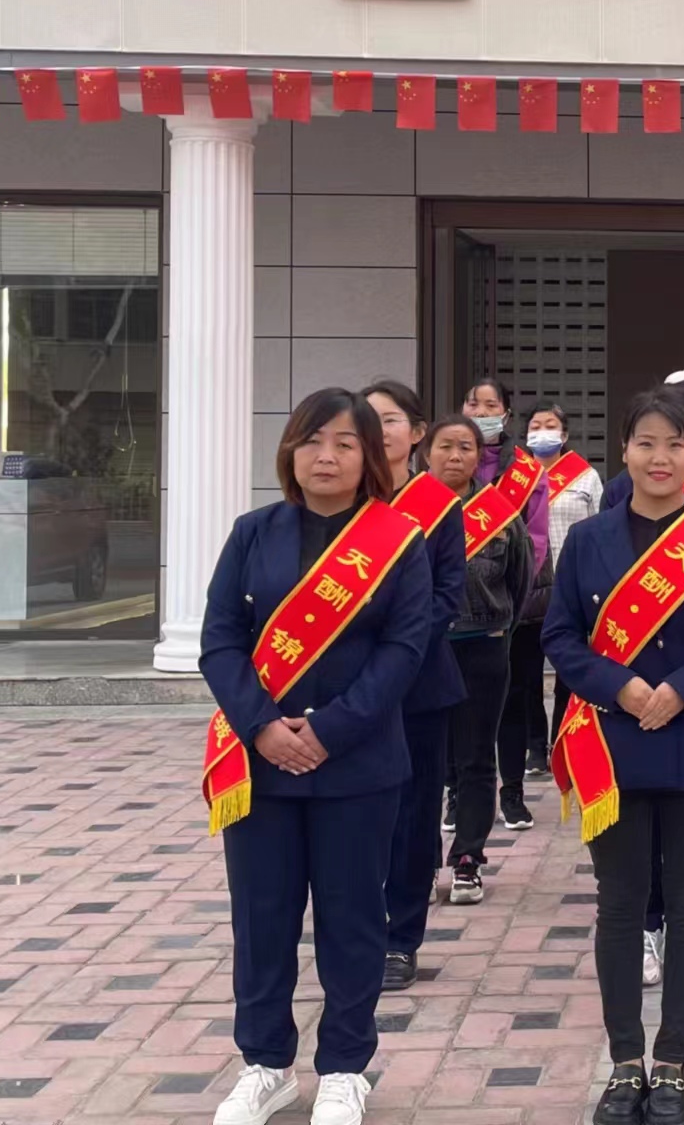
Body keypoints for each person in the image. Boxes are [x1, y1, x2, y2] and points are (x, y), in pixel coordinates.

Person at [199, 388, 434, 1125]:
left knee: (352, 918)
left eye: (343, 443)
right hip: (260, 765)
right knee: (261, 919)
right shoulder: (253, 533)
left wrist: (330, 729)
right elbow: (220, 640)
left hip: (358, 766)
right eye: (311, 441)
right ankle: (266, 1065)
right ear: (289, 451)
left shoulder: (398, 540)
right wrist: (263, 726)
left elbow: (404, 650)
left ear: (369, 457)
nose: (325, 456)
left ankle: (344, 1068)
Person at [544, 387, 684, 1125]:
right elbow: (561, 636)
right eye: (645, 442)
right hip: (611, 742)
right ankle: (624, 1064)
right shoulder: (589, 541)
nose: (660, 457)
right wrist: (622, 687)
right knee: (619, 902)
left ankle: (671, 1061)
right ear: (625, 450)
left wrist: (682, 689)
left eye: (675, 444)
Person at [359, 381, 469, 996]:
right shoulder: (342, 502)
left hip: (419, 685)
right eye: (368, 419)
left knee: (414, 814)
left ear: (417, 432)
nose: (380, 431)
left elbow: (446, 596)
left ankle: (401, 938)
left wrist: (389, 658)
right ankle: (354, 928)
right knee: (352, 813)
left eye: (391, 419)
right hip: (344, 689)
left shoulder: (438, 506)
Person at [429, 415, 535, 907]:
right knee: (425, 759)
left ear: (479, 456)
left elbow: (520, 582)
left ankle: (468, 858)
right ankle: (420, 861)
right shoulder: (404, 512)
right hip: (423, 651)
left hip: (484, 647)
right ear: (426, 452)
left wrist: (497, 628)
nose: (455, 456)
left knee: (475, 757)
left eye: (466, 448)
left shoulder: (500, 514)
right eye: (445, 446)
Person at [460, 381, 550, 830]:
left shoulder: (528, 473)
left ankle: (512, 792)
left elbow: (535, 542)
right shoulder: (446, 463)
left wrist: (511, 595)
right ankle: (458, 793)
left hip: (515, 608)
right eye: (473, 404)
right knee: (458, 707)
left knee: (513, 700)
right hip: (455, 613)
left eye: (490, 405)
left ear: (507, 414)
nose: (481, 412)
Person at [526, 400, 603, 775]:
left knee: (567, 672)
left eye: (550, 425)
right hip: (527, 587)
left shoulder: (586, 478)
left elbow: (600, 531)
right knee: (526, 674)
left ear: (565, 434)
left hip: (571, 585)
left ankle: (561, 740)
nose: (543, 431)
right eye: (535, 425)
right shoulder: (515, 480)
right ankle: (534, 746)